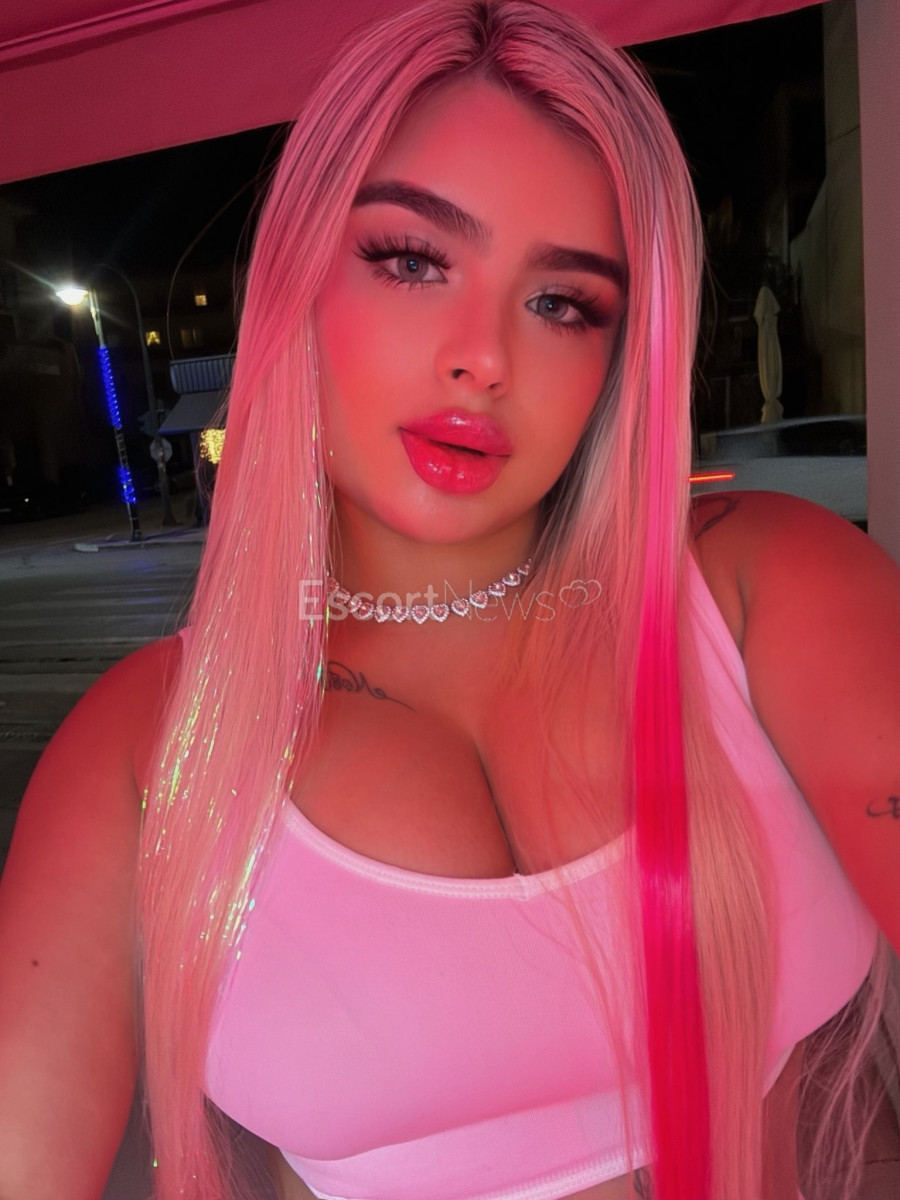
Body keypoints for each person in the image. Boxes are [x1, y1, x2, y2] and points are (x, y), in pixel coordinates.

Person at [1, 2, 899, 1199]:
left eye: (563, 302)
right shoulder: (145, 746)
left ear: (620, 356)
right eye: (412, 261)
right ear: (295, 283)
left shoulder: (758, 587)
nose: (485, 357)